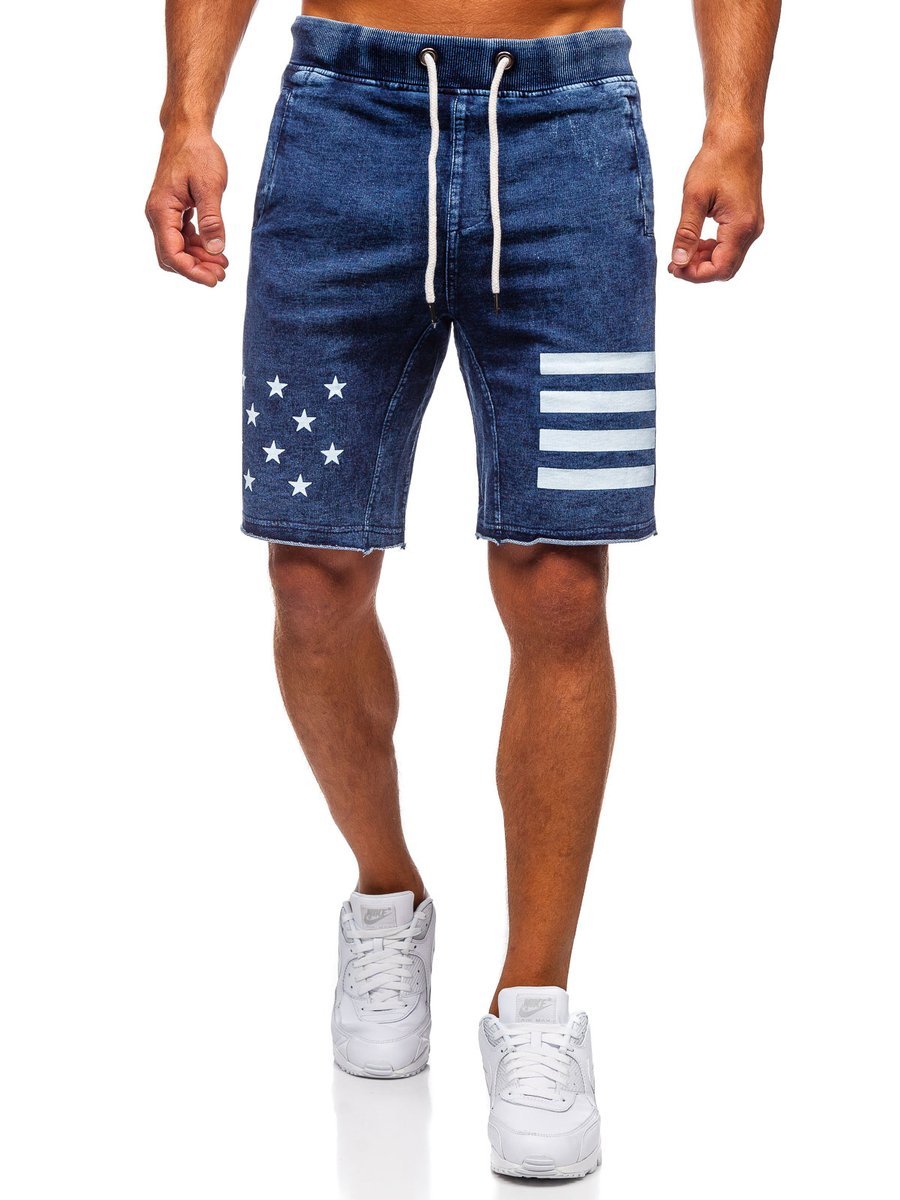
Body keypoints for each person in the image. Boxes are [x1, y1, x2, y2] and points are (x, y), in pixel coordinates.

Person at [146, 0, 779, 1179]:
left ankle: (535, 1004)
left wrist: (735, 123)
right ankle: (387, 900)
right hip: (343, 130)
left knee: (560, 582)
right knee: (313, 574)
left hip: (568, 139)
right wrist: (188, 112)